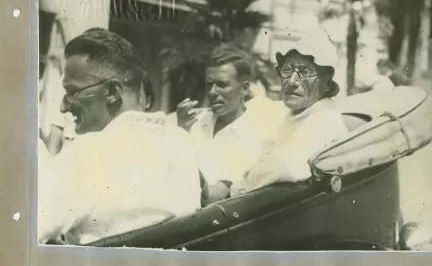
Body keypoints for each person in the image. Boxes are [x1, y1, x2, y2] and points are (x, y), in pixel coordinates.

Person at [38, 28, 201, 245]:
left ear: (113, 92)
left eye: (72, 92)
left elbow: (24, 231)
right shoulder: (180, 142)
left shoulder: (86, 152)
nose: (63, 106)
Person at [230, 29, 349, 196]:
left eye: (305, 72)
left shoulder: (324, 122)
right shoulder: (297, 114)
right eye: (287, 70)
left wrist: (236, 187)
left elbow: (284, 165)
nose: (292, 82)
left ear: (327, 85)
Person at [176, 43, 287, 203]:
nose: (212, 92)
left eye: (222, 85)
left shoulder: (256, 133)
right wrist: (181, 131)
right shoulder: (194, 121)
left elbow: (221, 192)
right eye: (209, 84)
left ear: (244, 88)